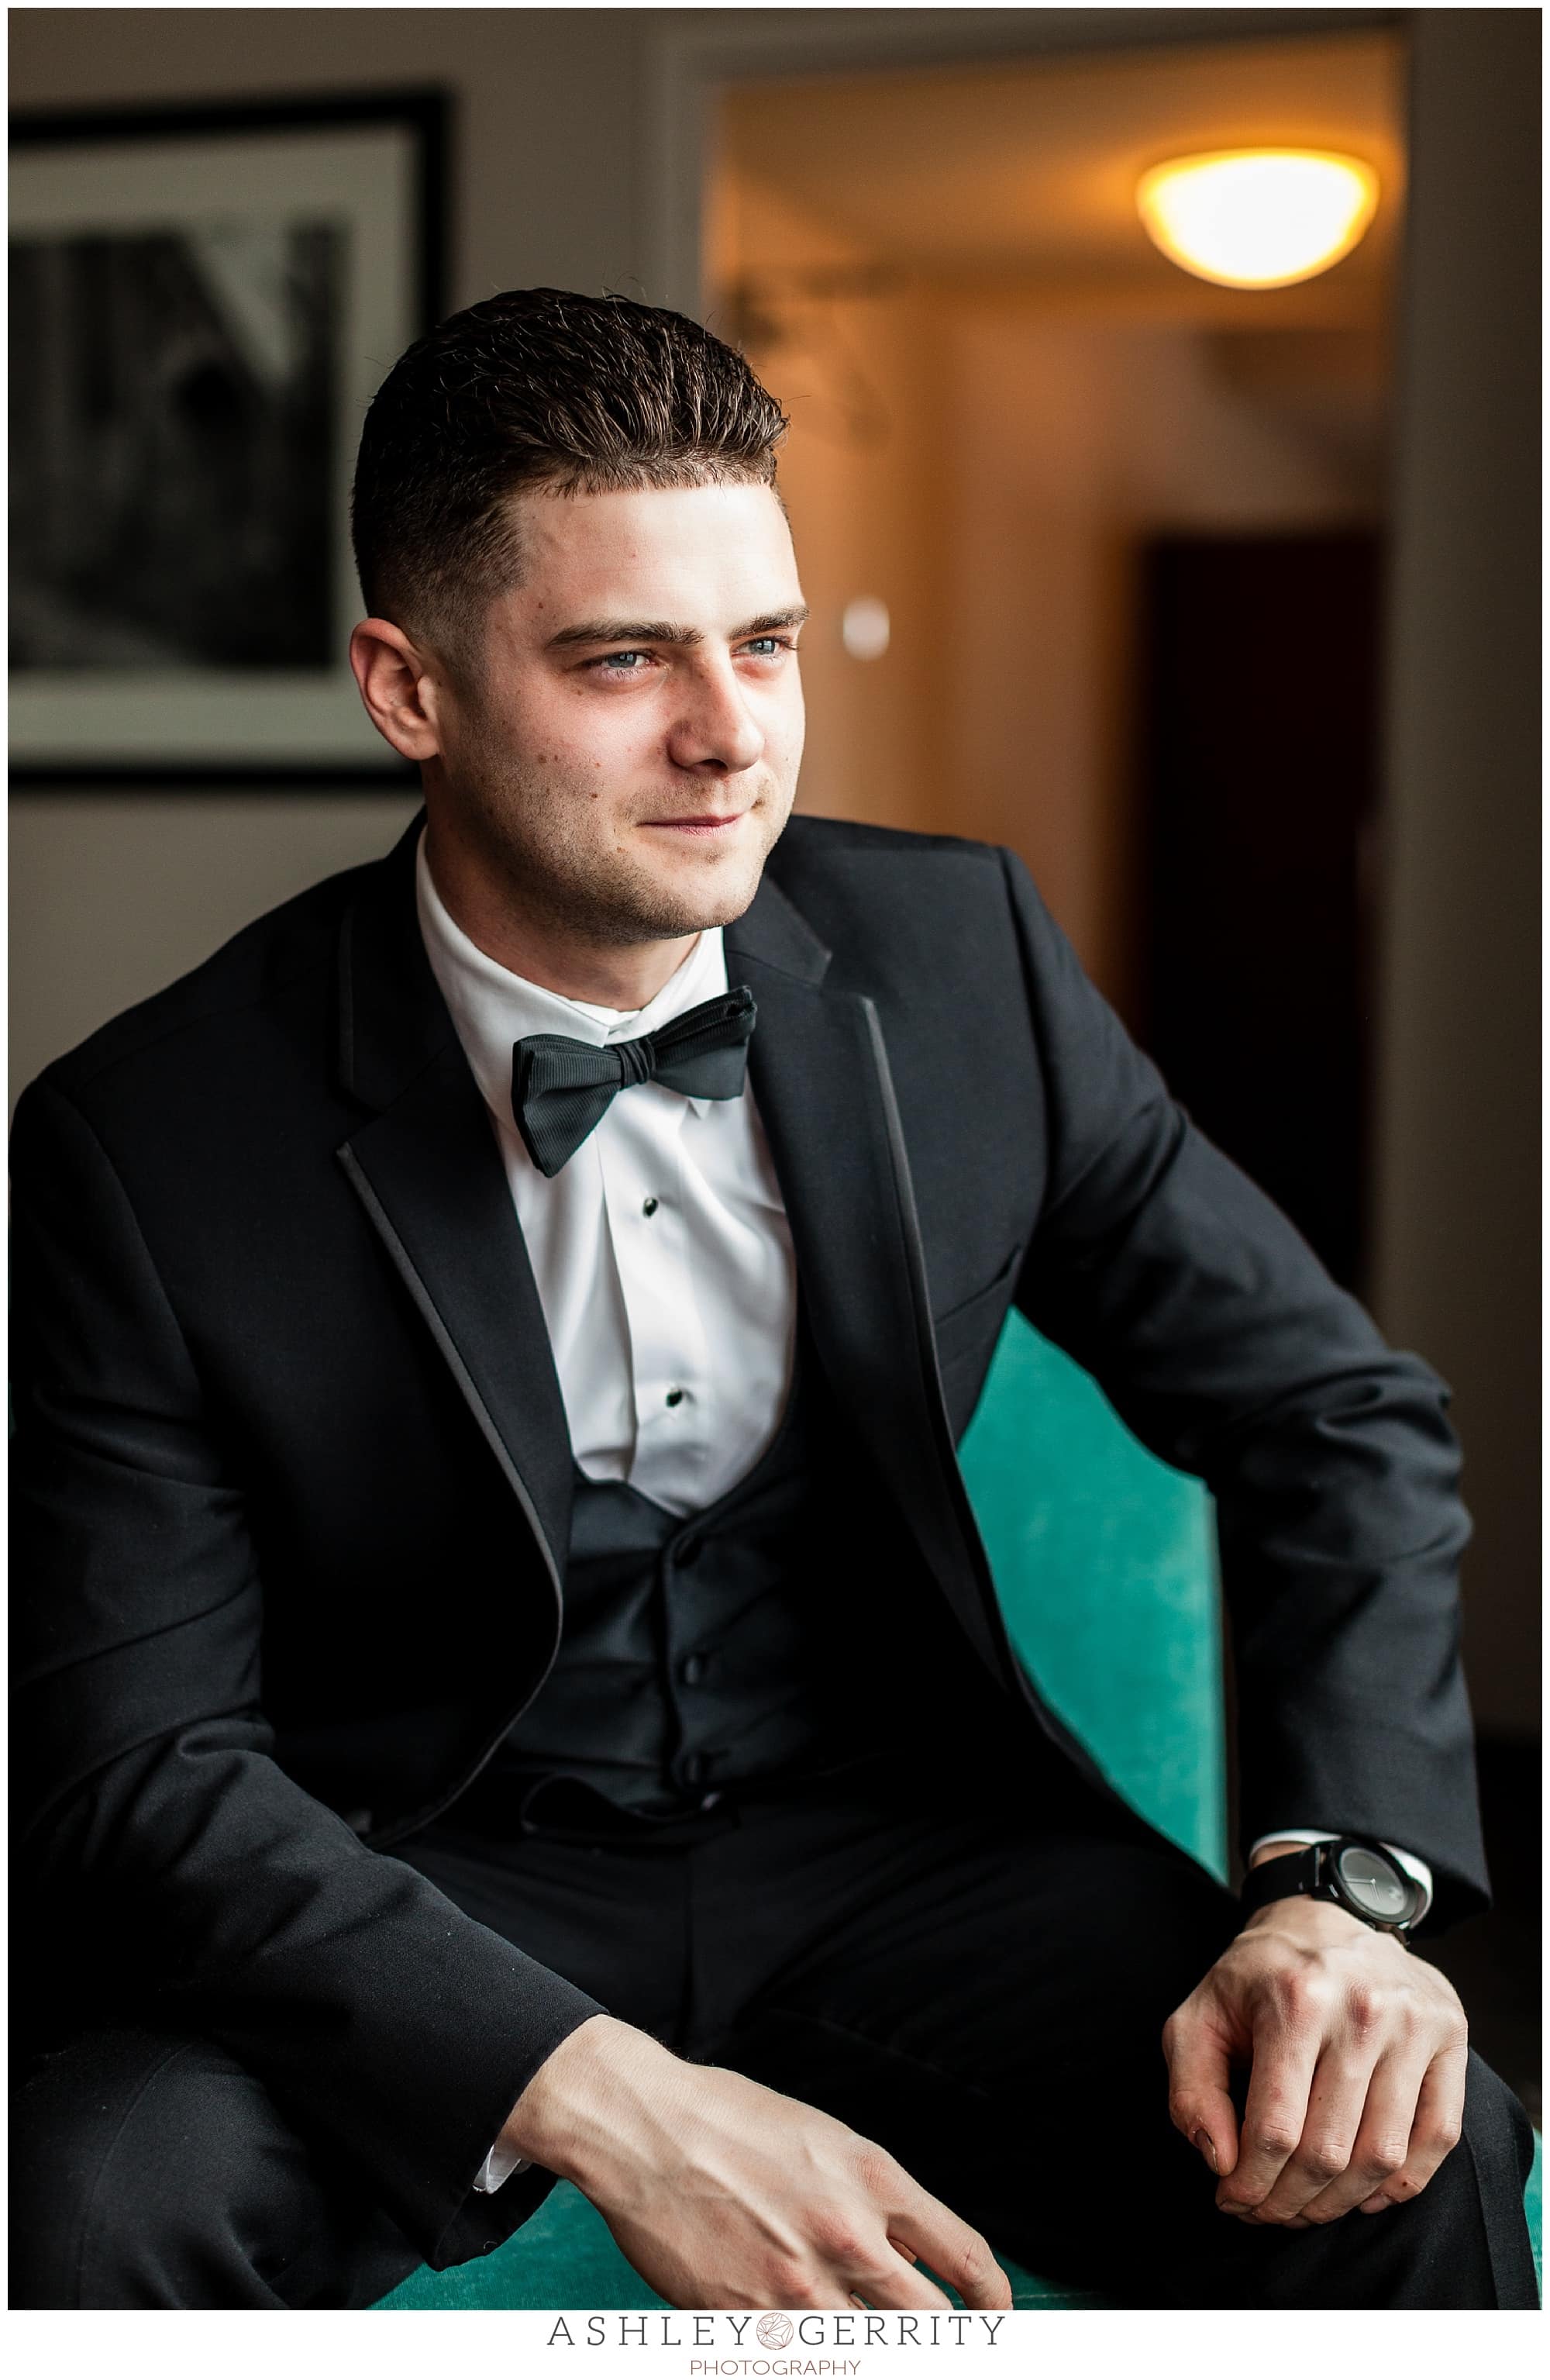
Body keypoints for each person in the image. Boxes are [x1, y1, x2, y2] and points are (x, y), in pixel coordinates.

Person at [10, 289, 1536, 2313]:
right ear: (410, 687)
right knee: (86, 2203)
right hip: (432, 1850)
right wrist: (600, 2095)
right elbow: (144, 1765)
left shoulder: (958, 952)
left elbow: (1328, 1409)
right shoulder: (141, 1143)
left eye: (765, 643)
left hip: (905, 1833)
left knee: (1404, 2156)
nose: (732, 735)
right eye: (623, 659)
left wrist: (1341, 1893)